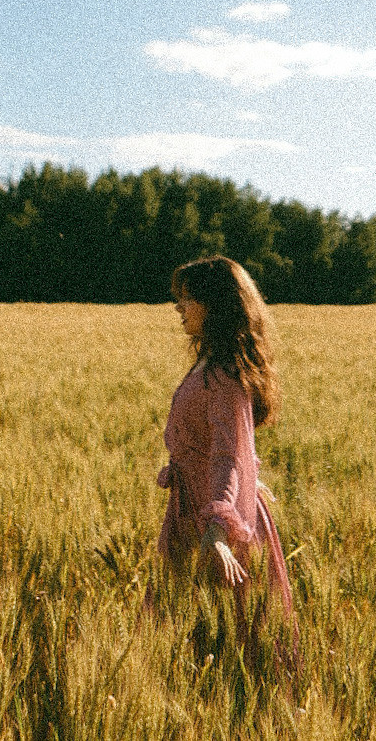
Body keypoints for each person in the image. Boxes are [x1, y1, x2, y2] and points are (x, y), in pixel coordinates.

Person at [156, 255, 293, 617]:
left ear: (215, 303)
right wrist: (248, 478)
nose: (178, 306)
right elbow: (228, 444)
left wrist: (218, 528)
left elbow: (228, 454)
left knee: (225, 632)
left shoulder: (224, 375)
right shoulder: (211, 364)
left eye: (187, 297)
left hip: (216, 520)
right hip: (196, 508)